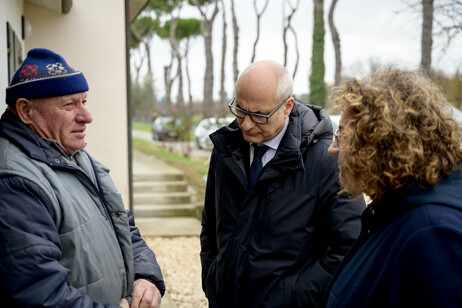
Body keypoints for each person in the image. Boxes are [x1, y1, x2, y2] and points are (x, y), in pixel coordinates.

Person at [0, 48, 165, 307]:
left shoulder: (73, 155)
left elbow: (122, 225)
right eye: (69, 105)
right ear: (25, 111)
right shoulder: (15, 182)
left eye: (84, 102)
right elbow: (39, 294)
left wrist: (145, 275)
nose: (87, 117)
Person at [200, 59, 365, 308]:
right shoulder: (226, 149)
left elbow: (350, 250)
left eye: (259, 115)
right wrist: (212, 279)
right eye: (240, 110)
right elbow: (211, 226)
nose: (246, 124)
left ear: (287, 107)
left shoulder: (326, 160)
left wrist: (288, 298)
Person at [324, 68, 462, 307]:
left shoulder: (432, 234)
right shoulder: (392, 208)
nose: (332, 149)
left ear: (380, 145)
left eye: (344, 137)